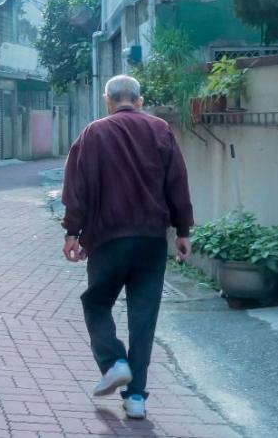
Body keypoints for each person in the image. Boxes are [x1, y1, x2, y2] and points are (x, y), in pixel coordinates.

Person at [61, 75, 194, 419]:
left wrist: (72, 232)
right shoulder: (160, 130)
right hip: (151, 239)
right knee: (143, 318)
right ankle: (136, 399)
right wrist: (182, 230)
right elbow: (177, 181)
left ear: (108, 101)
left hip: (107, 238)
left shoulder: (93, 133)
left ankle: (114, 361)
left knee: (97, 303)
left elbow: (77, 187)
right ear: (139, 100)